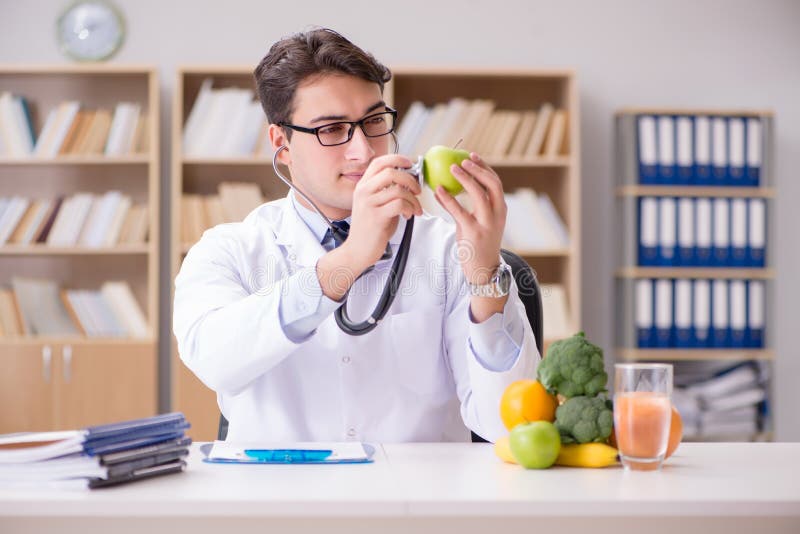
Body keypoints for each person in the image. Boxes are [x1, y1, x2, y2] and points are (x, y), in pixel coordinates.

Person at [173, 28, 540, 444]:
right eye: (331, 129)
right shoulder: (228, 250)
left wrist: (485, 276)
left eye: (374, 121)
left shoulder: (446, 249)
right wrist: (349, 260)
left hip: (416, 502)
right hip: (280, 500)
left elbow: (509, 425)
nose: (364, 151)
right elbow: (214, 360)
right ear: (282, 143)